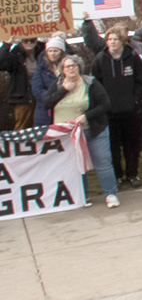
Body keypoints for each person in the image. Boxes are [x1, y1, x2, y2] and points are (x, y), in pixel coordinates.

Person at [89, 28, 142, 190]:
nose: (112, 42)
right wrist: (102, 104)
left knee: (132, 145)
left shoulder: (133, 58)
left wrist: (135, 101)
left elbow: (141, 82)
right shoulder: (100, 60)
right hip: (109, 113)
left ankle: (132, 174)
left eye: (115, 39)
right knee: (113, 146)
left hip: (131, 111)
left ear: (122, 41)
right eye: (109, 39)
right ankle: (117, 175)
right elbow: (94, 85)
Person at [54, 54, 117, 207]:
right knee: (77, 165)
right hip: (68, 135)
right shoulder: (57, 85)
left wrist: (86, 117)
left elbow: (105, 104)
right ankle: (83, 196)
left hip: (93, 130)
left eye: (74, 65)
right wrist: (63, 90)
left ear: (79, 67)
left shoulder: (91, 83)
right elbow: (46, 102)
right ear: (63, 70)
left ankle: (110, 194)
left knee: (102, 160)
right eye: (68, 66)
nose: (71, 69)